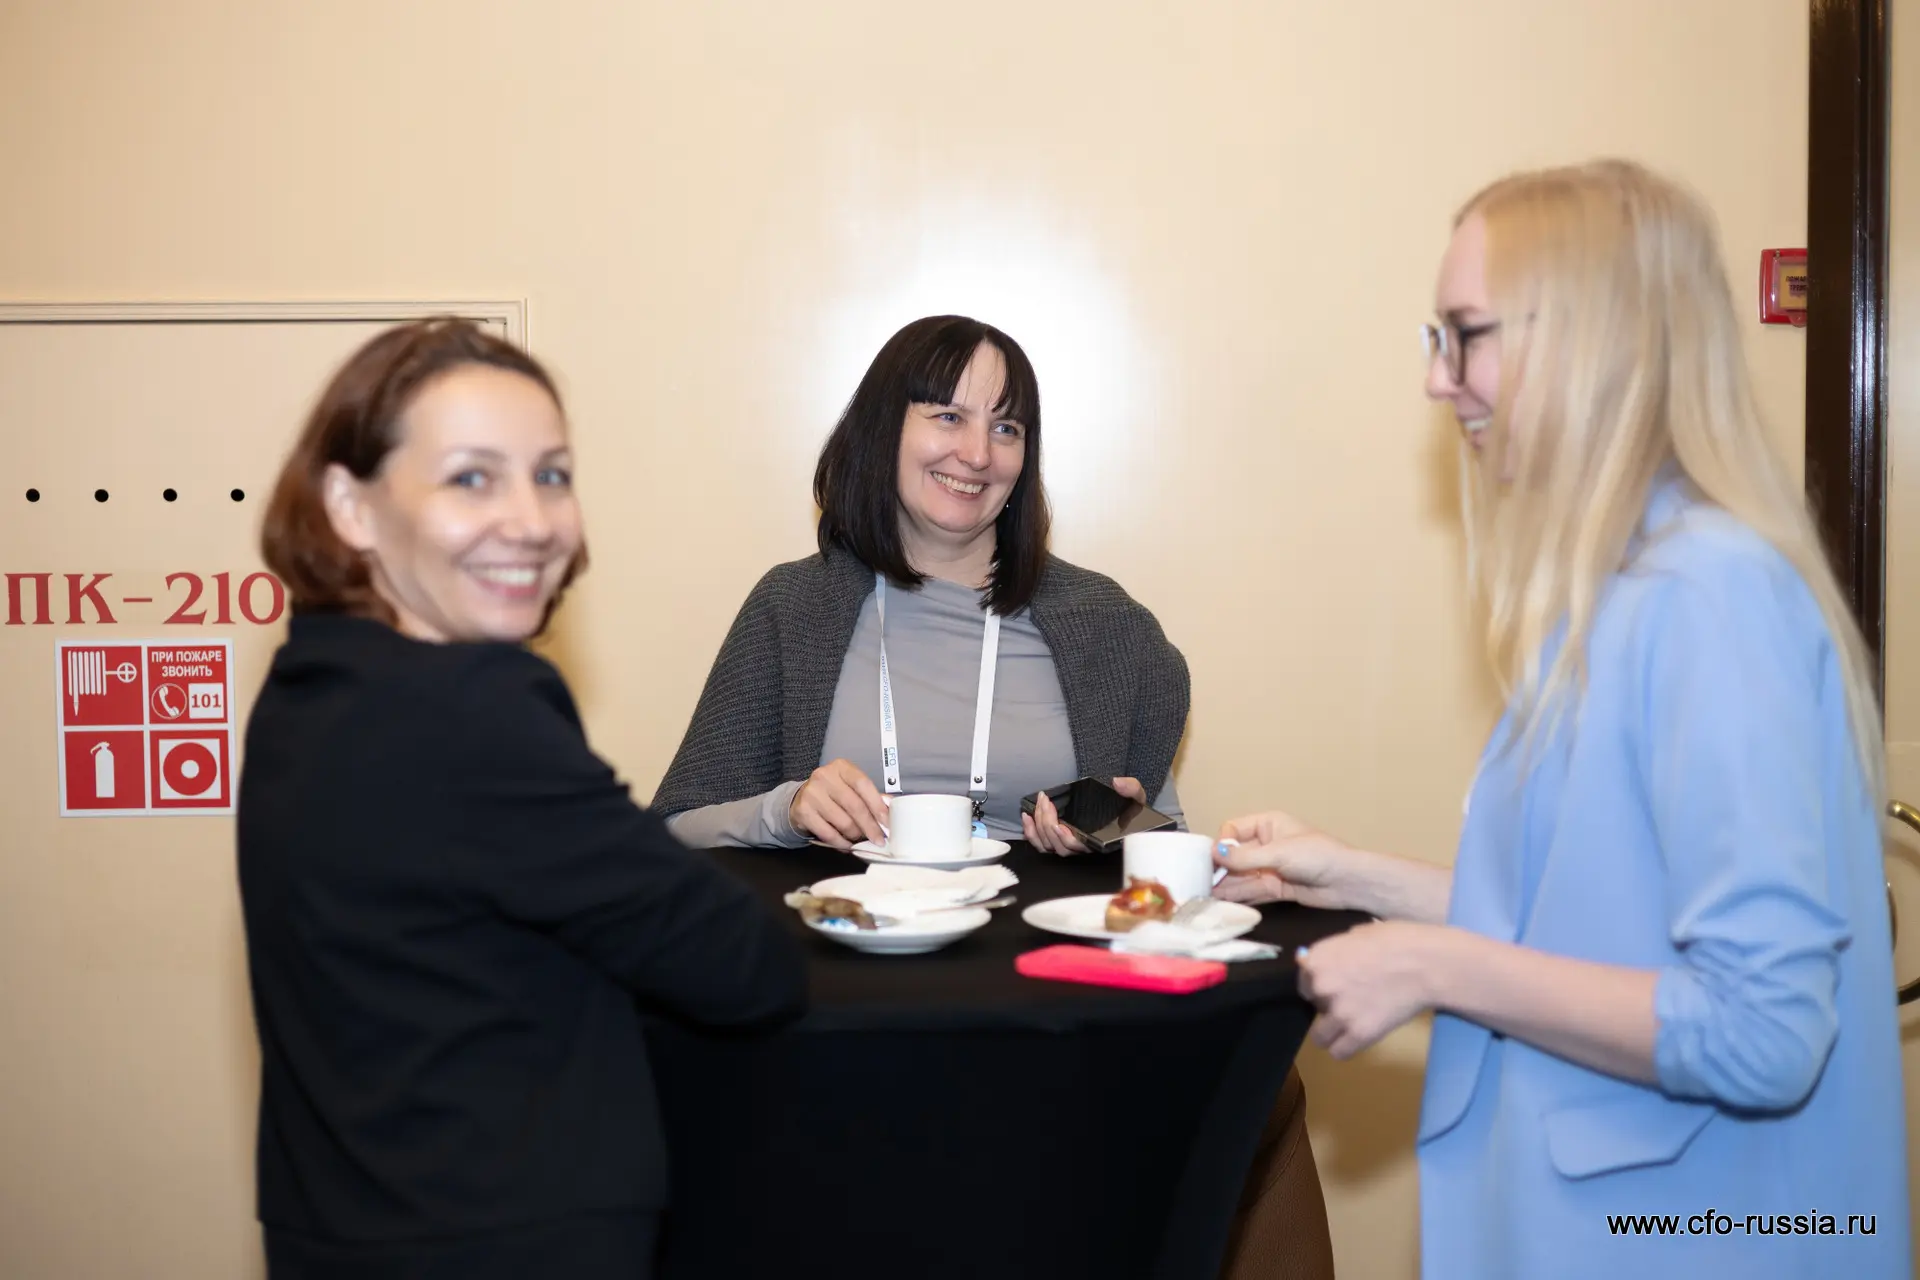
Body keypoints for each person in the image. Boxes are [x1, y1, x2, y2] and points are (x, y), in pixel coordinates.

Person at [1216, 159, 1911, 1276]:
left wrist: (1433, 966)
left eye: (1465, 334)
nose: (1438, 381)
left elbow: (1763, 1030)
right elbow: (1586, 922)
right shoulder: (1621, 591)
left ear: (1594, 337)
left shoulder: (1711, 594)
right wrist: (1346, 877)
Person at [237, 318, 807, 1280]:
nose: (532, 520)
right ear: (350, 506)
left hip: (345, 1219)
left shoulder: (313, 681)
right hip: (499, 1233)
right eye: (472, 477)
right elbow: (744, 965)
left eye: (551, 474)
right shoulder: (469, 712)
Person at [651, 313, 1190, 855]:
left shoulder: (1105, 624)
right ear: (884, 429)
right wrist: (787, 811)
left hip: (1041, 912)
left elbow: (1169, 844)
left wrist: (1113, 833)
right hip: (842, 911)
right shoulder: (795, 608)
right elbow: (675, 829)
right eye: (949, 417)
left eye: (1006, 428)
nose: (978, 454)